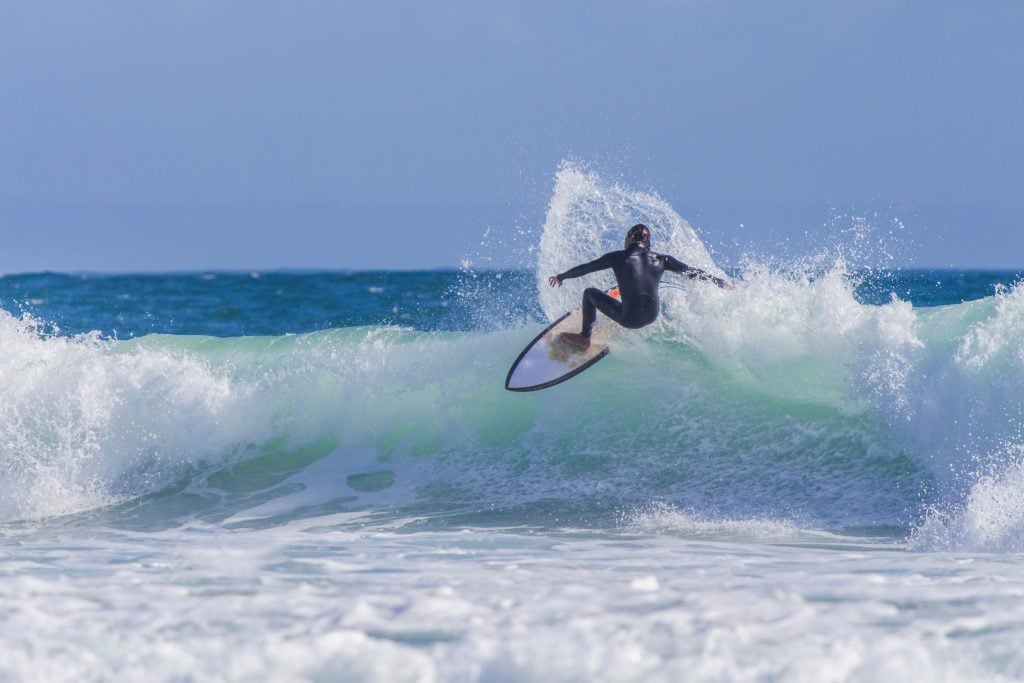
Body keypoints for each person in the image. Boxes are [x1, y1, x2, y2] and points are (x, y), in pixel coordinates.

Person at [548, 223, 731, 350]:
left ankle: (584, 338)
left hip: (629, 319)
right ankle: (616, 321)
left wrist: (561, 277)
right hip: (652, 316)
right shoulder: (662, 259)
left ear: (628, 239)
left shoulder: (618, 257)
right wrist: (721, 283)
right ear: (648, 243)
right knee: (632, 295)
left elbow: (586, 268)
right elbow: (693, 272)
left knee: (589, 293)